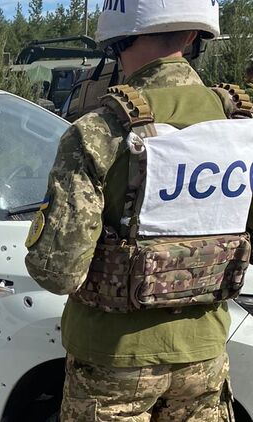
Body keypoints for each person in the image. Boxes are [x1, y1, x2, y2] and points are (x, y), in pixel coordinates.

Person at [25, 1, 252, 420]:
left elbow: (58, 272)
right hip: (203, 356)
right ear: (195, 35)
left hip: (111, 360)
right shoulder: (241, 126)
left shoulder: (98, 132)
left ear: (115, 37)